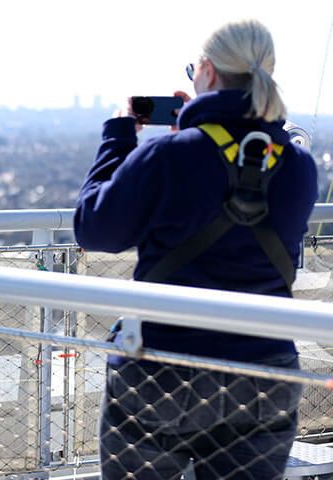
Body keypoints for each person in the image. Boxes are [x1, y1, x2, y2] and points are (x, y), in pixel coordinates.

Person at [74, 20, 317, 480]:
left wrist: (119, 135)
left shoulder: (171, 155)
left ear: (205, 70)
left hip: (165, 366)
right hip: (265, 373)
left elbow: (94, 229)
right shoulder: (298, 165)